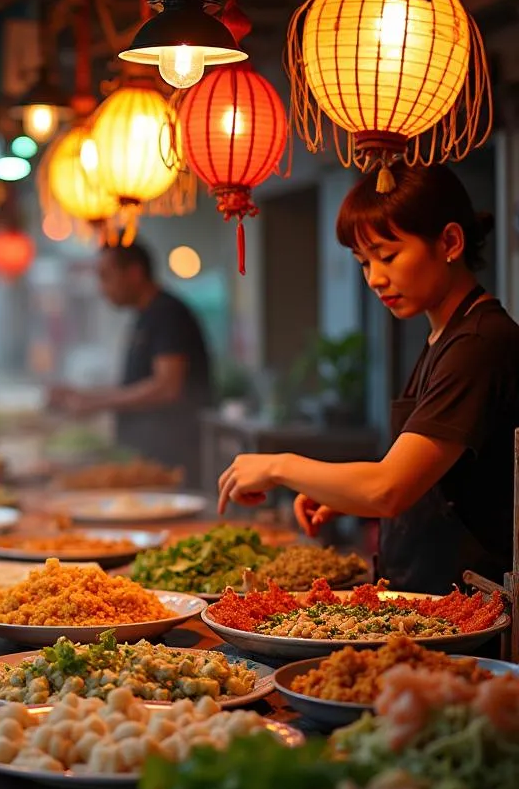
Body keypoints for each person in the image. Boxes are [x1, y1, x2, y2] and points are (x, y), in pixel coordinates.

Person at [217, 163, 519, 594]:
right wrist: (342, 495)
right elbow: (422, 477)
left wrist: (279, 466)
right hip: (426, 594)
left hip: (467, 609)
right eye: (363, 262)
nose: (375, 278)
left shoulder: (480, 342)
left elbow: (389, 488)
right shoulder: (445, 335)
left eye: (388, 255)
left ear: (450, 241)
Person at [49, 241, 213, 486]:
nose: (102, 288)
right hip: (145, 456)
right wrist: (85, 395)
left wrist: (95, 403)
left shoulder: (168, 313)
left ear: (135, 273)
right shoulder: (145, 316)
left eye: (106, 277)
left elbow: (167, 387)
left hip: (171, 461)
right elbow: (138, 383)